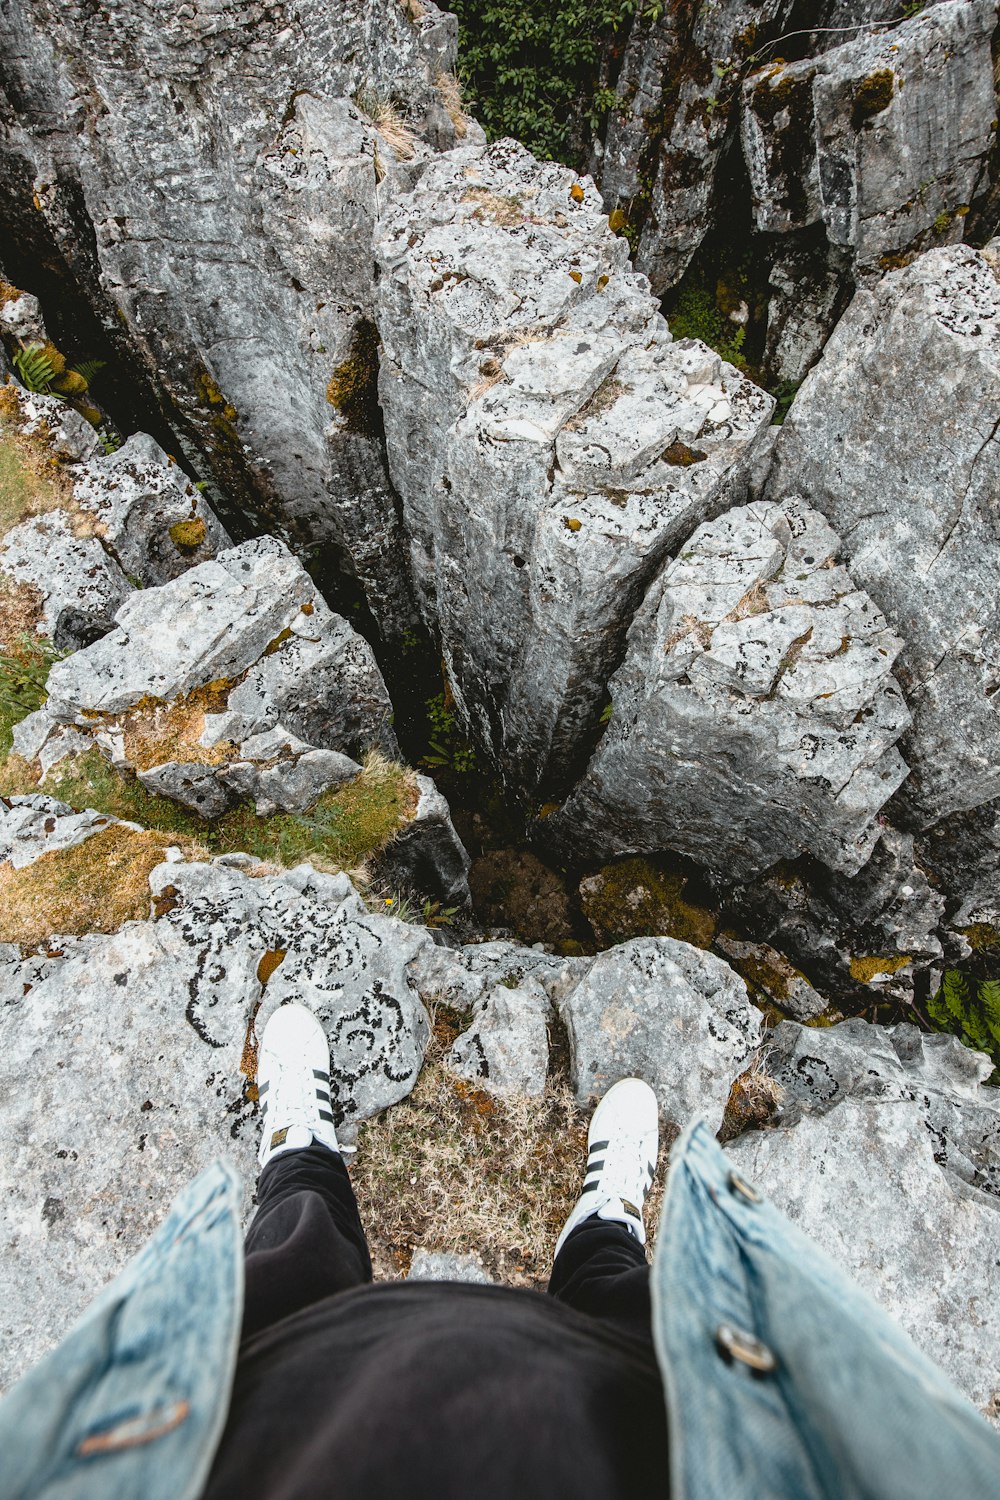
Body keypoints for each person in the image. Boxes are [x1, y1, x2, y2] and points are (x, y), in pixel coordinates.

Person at [3, 1002, 1000, 1499]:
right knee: (624, 1299)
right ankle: (601, 1225)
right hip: (660, 1444)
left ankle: (302, 1161)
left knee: (290, 1262)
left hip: (254, 1425)